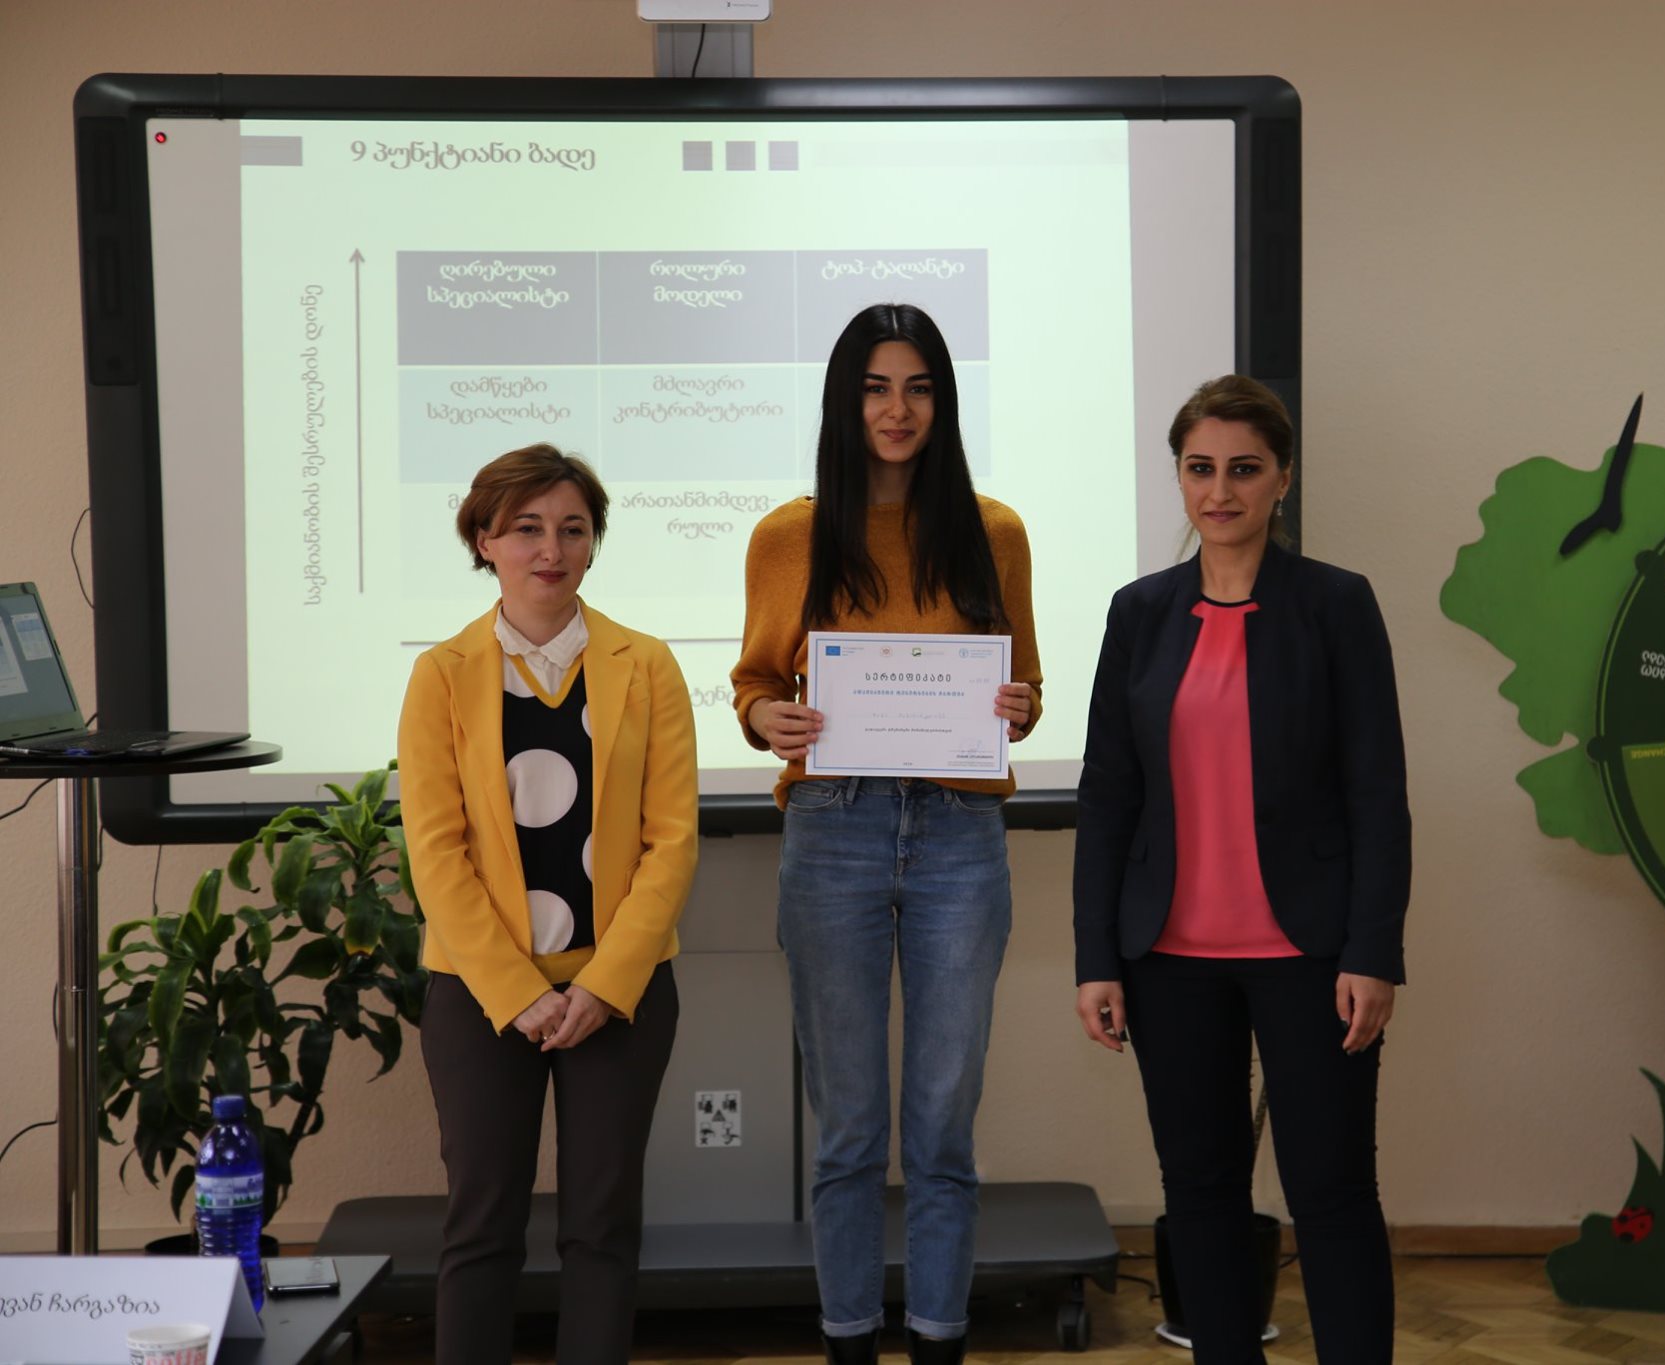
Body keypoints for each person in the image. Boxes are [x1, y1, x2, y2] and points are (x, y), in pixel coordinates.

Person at [1072, 374, 1410, 1364]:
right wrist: (1096, 959)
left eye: (1243, 470)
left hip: (1311, 954)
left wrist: (1373, 950)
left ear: (1282, 480)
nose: (1218, 491)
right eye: (1199, 468)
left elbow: (1376, 793)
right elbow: (1107, 795)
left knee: (1331, 1191)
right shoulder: (1138, 612)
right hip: (1167, 955)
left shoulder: (1335, 604)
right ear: (1179, 476)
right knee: (1200, 1190)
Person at [730, 303, 1042, 1364]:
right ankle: (851, 1344)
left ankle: (941, 1339)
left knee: (944, 1127)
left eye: (916, 387)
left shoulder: (996, 532)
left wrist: (1017, 708)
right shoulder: (789, 535)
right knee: (851, 1130)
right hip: (835, 829)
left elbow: (1024, 685)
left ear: (942, 402)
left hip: (959, 833)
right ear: (844, 400)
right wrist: (764, 717)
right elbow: (757, 682)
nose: (896, 409)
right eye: (874, 387)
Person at [398, 443, 699, 1365]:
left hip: (619, 994)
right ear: (483, 540)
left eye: (573, 528)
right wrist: (518, 992)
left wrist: (604, 985)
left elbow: (671, 842)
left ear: (594, 542)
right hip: (480, 996)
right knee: (481, 1226)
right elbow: (436, 853)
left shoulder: (646, 666)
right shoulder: (442, 674)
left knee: (602, 1228)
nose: (551, 549)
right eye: (525, 528)